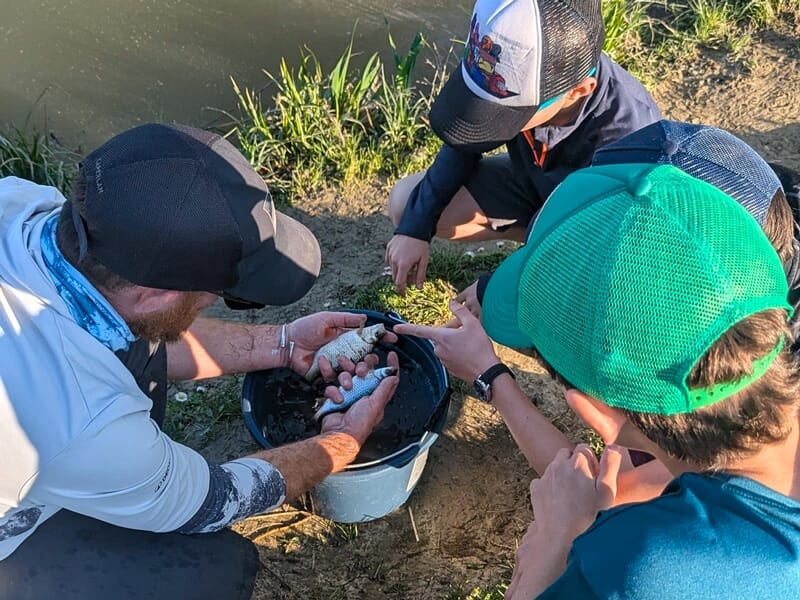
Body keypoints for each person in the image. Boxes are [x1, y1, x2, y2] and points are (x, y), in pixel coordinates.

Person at [0, 123, 400, 599]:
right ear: (155, 294)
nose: (212, 302)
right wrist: (342, 439)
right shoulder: (87, 421)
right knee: (205, 572)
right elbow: (210, 502)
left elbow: (135, 326)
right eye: (219, 295)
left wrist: (283, 344)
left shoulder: (22, 204)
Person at [406, 162, 800, 597]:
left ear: (597, 413)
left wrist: (554, 548)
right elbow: (626, 487)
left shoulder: (632, 570)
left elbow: (612, 497)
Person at [385, 0, 662, 309]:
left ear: (579, 90)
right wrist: (415, 227)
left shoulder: (631, 137)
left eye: (506, 114)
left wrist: (502, 284)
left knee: (598, 293)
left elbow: (610, 242)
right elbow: (466, 137)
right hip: (537, 190)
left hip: (600, 227)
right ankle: (537, 243)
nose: (489, 122)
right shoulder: (515, 57)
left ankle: (547, 266)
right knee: (405, 201)